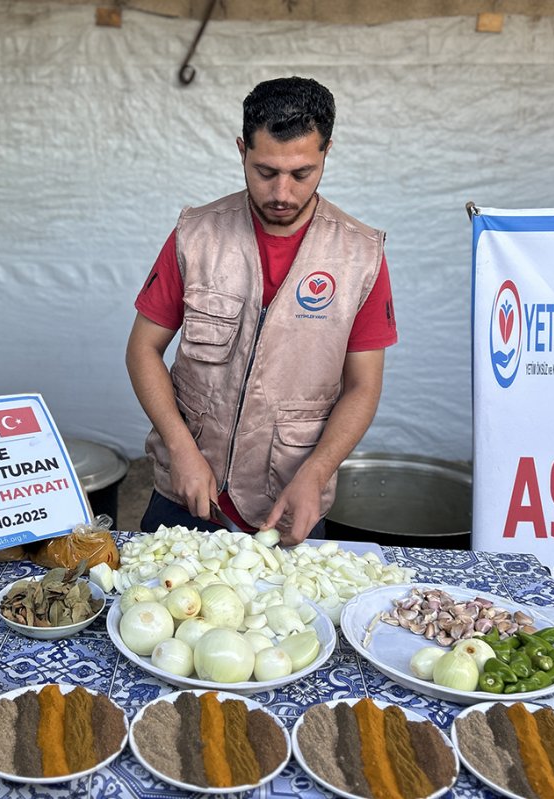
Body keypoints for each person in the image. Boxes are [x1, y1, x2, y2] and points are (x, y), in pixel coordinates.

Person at [125, 76, 398, 545]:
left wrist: (317, 472)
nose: (282, 193)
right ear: (241, 150)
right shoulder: (197, 235)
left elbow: (363, 386)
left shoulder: (361, 256)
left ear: (326, 153)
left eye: (302, 173)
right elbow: (142, 351)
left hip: (290, 498)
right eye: (266, 171)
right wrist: (180, 447)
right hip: (185, 492)